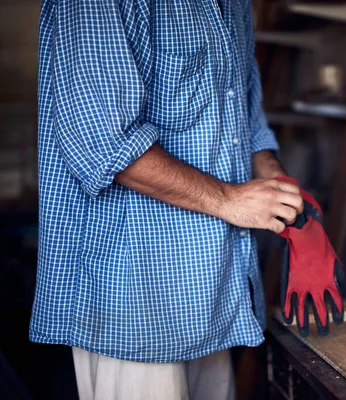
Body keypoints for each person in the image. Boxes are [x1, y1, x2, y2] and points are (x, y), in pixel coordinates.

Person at [31, 0, 304, 398]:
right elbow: (104, 142)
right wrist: (231, 200)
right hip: (134, 289)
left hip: (213, 282)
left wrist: (272, 174)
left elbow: (243, 107)